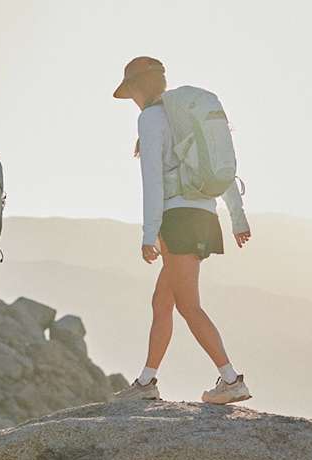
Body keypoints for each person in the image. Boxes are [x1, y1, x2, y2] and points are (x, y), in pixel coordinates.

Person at [111, 57, 254, 405]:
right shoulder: (187, 116)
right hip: (203, 216)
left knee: (189, 306)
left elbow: (153, 181)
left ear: (137, 88)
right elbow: (221, 165)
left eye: (130, 91)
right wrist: (237, 218)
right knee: (163, 301)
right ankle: (146, 382)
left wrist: (149, 234)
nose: (130, 99)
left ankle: (231, 378)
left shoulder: (152, 118)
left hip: (178, 219)